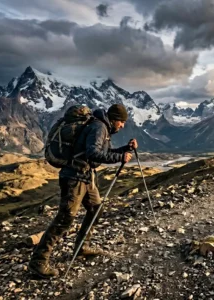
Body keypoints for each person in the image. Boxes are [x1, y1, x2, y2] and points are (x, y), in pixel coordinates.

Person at [29, 104, 138, 278]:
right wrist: (120, 158)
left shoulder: (101, 126)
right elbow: (93, 153)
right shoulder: (99, 127)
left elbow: (104, 151)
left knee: (96, 209)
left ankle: (81, 247)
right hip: (75, 178)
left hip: (86, 177)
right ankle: (38, 262)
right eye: (122, 122)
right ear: (115, 119)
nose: (123, 126)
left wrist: (125, 149)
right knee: (65, 220)